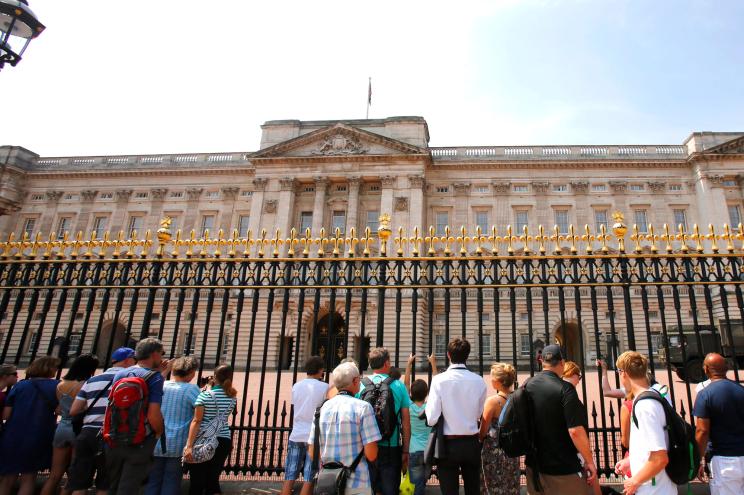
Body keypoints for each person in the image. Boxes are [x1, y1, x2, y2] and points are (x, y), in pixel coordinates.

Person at [524, 345, 595, 495]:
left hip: (534, 466)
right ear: (562, 362)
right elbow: (575, 431)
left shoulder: (527, 385)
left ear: (542, 361)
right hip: (562, 468)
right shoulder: (565, 389)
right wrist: (589, 461)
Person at [67, 347, 136, 495]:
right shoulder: (129, 380)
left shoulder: (92, 380)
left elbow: (74, 410)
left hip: (87, 432)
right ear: (127, 361)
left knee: (79, 485)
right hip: (110, 433)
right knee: (105, 484)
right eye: (133, 359)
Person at [106, 338, 169, 495]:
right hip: (139, 437)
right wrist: (159, 432)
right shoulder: (154, 377)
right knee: (130, 486)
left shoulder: (120, 374)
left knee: (113, 485)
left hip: (116, 434)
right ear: (154, 354)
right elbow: (153, 412)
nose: (161, 358)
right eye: (161, 354)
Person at [308, 361, 381, 495]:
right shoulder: (363, 408)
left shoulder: (321, 410)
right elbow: (372, 454)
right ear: (354, 381)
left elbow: (313, 452)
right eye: (358, 380)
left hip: (328, 483)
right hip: (357, 483)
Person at [425, 338, 487, 495]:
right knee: (473, 490)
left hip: (447, 445)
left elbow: (431, 418)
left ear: (448, 355)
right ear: (467, 356)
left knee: (449, 491)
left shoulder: (439, 380)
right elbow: (479, 414)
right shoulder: (479, 381)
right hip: (471, 442)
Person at [613, 351, 675, 495]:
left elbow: (660, 457)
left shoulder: (644, 406)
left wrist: (635, 481)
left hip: (654, 488)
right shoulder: (650, 397)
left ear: (624, 373)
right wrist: (631, 461)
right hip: (654, 483)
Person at [0, 356, 61, 495]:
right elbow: (59, 410)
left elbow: (6, 415)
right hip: (38, 433)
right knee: (28, 478)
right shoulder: (56, 385)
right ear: (48, 368)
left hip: (13, 434)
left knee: (7, 478)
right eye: (54, 366)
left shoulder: (20, 385)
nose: (56, 369)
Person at [41, 353, 100, 495]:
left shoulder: (60, 385)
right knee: (74, 475)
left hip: (62, 427)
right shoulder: (86, 385)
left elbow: (59, 409)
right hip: (77, 428)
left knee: (55, 475)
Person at [357, 347, 411, 495]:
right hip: (390, 445)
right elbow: (406, 422)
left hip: (366, 445)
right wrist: (406, 449)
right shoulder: (398, 385)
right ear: (387, 363)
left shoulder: (360, 385)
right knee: (390, 490)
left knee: (368, 489)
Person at [145, 356, 200, 495]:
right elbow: (201, 412)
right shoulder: (191, 389)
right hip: (177, 442)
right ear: (192, 373)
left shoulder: (162, 385)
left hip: (156, 440)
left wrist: (164, 370)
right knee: (172, 480)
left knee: (153, 479)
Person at [693, 353, 744, 494]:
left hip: (724, 459)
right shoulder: (740, 390)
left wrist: (697, 459)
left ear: (706, 369)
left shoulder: (705, 394)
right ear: (726, 368)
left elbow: (702, 431)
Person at [183, 364, 238, 495]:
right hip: (223, 439)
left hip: (204, 440)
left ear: (214, 377)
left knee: (197, 481)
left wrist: (189, 445)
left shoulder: (205, 395)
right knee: (213, 480)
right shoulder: (232, 397)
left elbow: (197, 421)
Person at [280, 356, 329, 495]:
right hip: (314, 435)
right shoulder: (325, 387)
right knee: (310, 473)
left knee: (291, 470)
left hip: (297, 433)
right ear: (321, 370)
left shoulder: (296, 386)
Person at [562, 361, 602, 495]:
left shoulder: (557, 390)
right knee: (591, 481)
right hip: (576, 449)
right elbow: (575, 431)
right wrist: (587, 458)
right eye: (579, 377)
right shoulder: (569, 393)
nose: (579, 381)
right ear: (573, 374)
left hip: (561, 450)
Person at [479, 362, 520, 495]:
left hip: (494, 452)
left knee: (493, 487)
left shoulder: (493, 402)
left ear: (497, 381)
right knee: (510, 485)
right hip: (512, 450)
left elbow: (483, 431)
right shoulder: (517, 398)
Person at [403, 353, 438, 495]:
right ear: (426, 393)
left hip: (413, 449)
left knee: (417, 483)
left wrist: (408, 364)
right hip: (429, 450)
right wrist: (433, 364)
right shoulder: (429, 407)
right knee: (421, 483)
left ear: (411, 392)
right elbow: (436, 385)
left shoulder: (409, 407)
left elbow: (405, 384)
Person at [597, 359, 671, 405]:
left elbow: (607, 392)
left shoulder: (634, 391)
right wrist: (604, 370)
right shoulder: (661, 389)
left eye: (620, 371)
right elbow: (607, 392)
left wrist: (604, 371)